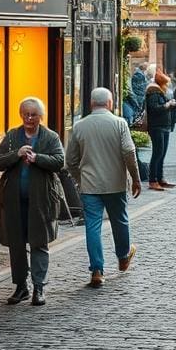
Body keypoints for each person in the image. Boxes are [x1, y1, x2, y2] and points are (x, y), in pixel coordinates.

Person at [0, 97, 65, 307]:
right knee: (16, 244)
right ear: (21, 115)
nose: (29, 118)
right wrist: (16, 154)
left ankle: (39, 286)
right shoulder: (13, 136)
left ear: (40, 117)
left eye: (33, 115)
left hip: (41, 201)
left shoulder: (50, 137)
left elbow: (60, 162)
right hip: (14, 201)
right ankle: (20, 286)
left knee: (38, 243)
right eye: (26, 114)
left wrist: (37, 158)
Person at [65, 88, 141, 288]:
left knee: (92, 226)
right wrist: (135, 178)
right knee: (120, 220)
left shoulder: (79, 126)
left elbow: (70, 160)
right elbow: (129, 152)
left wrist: (79, 179)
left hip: (90, 185)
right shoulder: (119, 123)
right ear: (110, 102)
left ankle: (97, 270)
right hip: (115, 183)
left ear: (91, 104)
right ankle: (123, 257)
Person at [145, 72, 176, 191]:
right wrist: (167, 104)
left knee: (162, 154)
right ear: (162, 83)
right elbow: (154, 109)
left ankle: (160, 178)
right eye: (166, 83)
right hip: (157, 126)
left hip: (164, 125)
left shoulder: (160, 92)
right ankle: (153, 180)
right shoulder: (153, 92)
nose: (168, 85)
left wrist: (170, 105)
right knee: (157, 153)